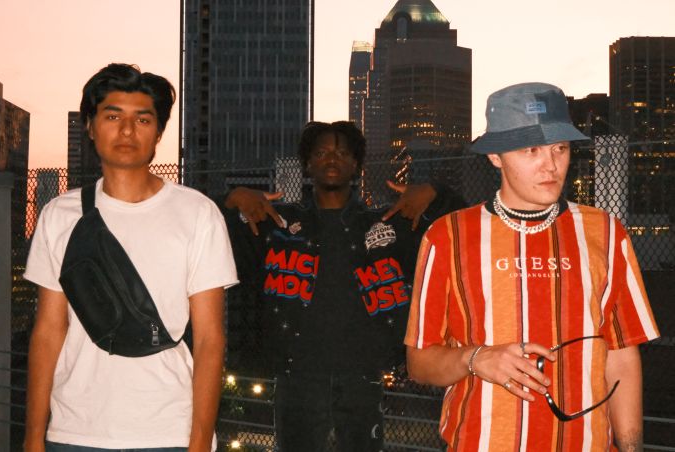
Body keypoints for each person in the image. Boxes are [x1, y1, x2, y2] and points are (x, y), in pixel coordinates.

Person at [404, 82, 660, 451]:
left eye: (560, 148)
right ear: (496, 157)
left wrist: (632, 449)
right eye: (531, 150)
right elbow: (419, 362)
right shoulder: (447, 236)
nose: (551, 165)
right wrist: (475, 358)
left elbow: (621, 354)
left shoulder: (605, 232)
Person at [23, 63, 238, 452]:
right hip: (73, 431)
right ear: (90, 127)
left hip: (168, 433)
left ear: (158, 133)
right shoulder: (59, 215)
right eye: (112, 116)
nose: (126, 130)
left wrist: (198, 443)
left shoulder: (197, 214)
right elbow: (49, 331)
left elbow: (210, 339)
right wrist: (33, 438)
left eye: (142, 119)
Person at [219, 120, 465, 451]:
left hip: (363, 375)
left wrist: (436, 192)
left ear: (356, 165)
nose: (332, 159)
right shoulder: (278, 224)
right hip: (297, 375)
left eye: (342, 153)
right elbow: (208, 231)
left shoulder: (386, 223)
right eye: (321, 152)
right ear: (308, 164)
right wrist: (232, 198)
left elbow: (463, 222)